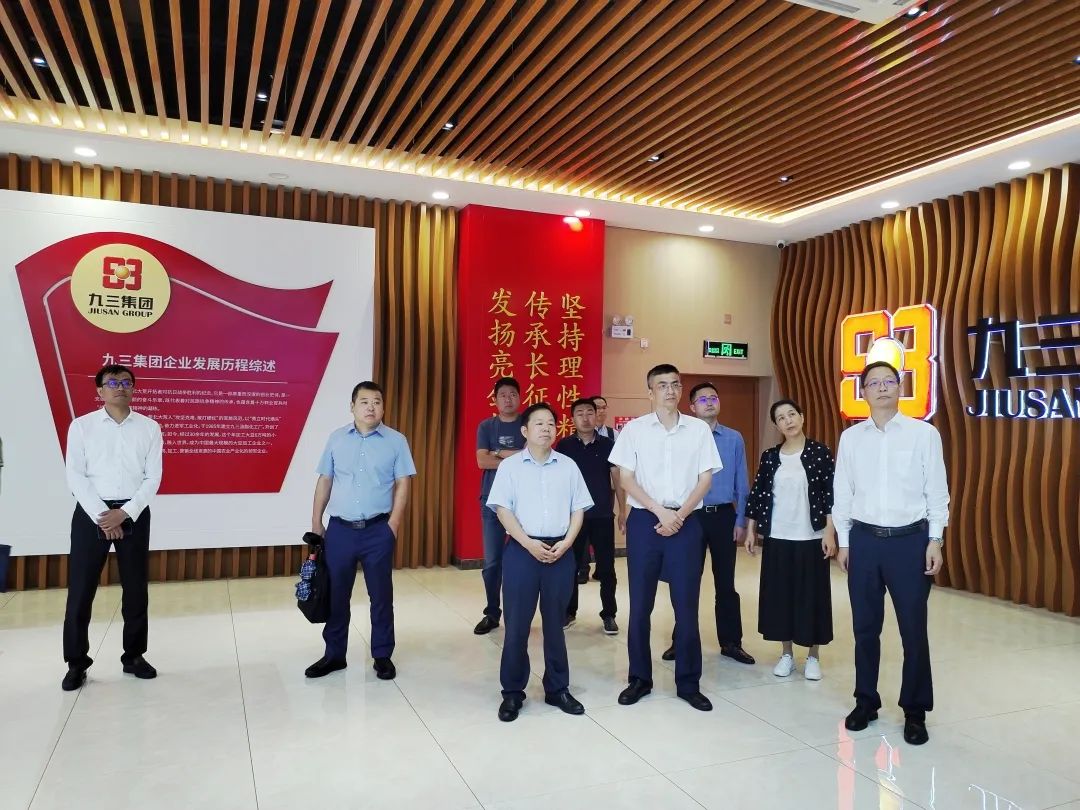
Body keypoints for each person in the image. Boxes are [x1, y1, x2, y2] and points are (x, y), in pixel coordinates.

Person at [835, 361, 950, 746]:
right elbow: (843, 492)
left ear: (900, 388)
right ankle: (865, 701)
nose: (882, 387)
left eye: (889, 381)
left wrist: (935, 540)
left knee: (913, 630)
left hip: (910, 542)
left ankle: (915, 711)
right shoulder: (851, 438)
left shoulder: (923, 434)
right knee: (865, 628)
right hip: (865, 541)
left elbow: (937, 491)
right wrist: (845, 542)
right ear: (863, 392)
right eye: (874, 383)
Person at [609, 364, 722, 712]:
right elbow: (625, 479)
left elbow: (706, 479)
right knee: (640, 605)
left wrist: (679, 515)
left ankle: (688, 683)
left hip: (686, 521)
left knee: (686, 606)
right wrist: (660, 512)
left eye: (675, 384)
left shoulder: (698, 430)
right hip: (646, 520)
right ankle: (639, 679)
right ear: (650, 392)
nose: (670, 391)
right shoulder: (634, 430)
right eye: (662, 385)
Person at [486, 402, 594, 722]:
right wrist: (528, 543)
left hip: (560, 551)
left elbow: (578, 509)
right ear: (525, 430)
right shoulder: (510, 467)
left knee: (555, 626)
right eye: (539, 423)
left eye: (550, 423)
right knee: (517, 626)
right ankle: (512, 692)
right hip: (523, 550)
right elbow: (503, 510)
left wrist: (568, 543)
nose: (546, 428)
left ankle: (557, 688)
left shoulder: (568, 466)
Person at [62, 364, 162, 691]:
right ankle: (76, 662)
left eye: (126, 382)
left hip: (134, 512)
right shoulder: (82, 426)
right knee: (81, 590)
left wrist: (125, 513)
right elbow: (75, 475)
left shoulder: (150, 428)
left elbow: (153, 478)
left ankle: (134, 656)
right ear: (100, 390)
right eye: (113, 382)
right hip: (92, 513)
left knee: (136, 589)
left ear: (133, 388)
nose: (120, 387)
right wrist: (104, 515)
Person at [306, 381, 416, 680]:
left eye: (377, 401)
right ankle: (334, 655)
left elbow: (403, 482)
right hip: (340, 530)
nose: (371, 407)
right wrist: (316, 522)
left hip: (378, 530)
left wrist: (393, 524)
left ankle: (382, 655)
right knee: (336, 594)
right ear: (352, 406)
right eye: (364, 401)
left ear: (383, 407)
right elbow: (325, 480)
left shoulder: (396, 441)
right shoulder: (336, 438)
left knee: (381, 596)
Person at [662, 382, 755, 666]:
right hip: (690, 515)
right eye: (702, 399)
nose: (709, 402)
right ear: (692, 407)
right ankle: (682, 640)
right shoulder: (683, 437)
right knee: (686, 581)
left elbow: (742, 481)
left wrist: (741, 519)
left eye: (713, 397)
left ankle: (731, 642)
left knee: (726, 582)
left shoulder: (733, 438)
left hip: (723, 516)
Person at [744, 399, 836, 680]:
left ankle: (813, 656)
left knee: (812, 596)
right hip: (778, 536)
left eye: (792, 414)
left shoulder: (820, 452)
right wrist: (751, 529)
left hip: (811, 536)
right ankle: (786, 654)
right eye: (781, 418)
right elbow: (758, 493)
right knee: (781, 596)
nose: (788, 420)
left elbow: (831, 495)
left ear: (802, 417)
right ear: (777, 425)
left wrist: (829, 531)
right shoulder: (770, 456)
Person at [555, 398, 624, 634]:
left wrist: (622, 511)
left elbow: (617, 480)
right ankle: (569, 611)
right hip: (573, 518)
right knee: (570, 566)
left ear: (596, 416)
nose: (585, 418)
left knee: (607, 567)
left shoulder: (608, 444)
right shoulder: (564, 446)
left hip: (602, 515)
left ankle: (609, 614)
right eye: (580, 413)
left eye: (589, 413)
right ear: (572, 419)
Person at [473, 377, 525, 635]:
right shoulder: (486, 426)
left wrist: (497, 453)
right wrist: (514, 456)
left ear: (520, 397)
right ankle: (492, 613)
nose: (508, 399)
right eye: (503, 395)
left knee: (522, 562)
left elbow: (532, 457)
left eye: (512, 394)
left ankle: (519, 614)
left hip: (524, 504)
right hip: (492, 502)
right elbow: (482, 462)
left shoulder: (528, 423)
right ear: (495, 400)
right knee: (492, 562)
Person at [579, 394, 616, 582]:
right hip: (582, 495)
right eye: (597, 407)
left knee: (603, 536)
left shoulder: (613, 435)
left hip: (605, 492)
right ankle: (583, 569)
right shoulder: (575, 440)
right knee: (581, 533)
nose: (600, 411)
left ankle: (602, 570)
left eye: (603, 407)